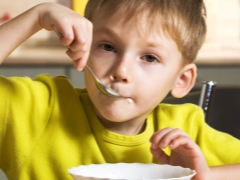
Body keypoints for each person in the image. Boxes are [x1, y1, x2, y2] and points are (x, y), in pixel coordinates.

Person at [0, 1, 240, 180]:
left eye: (149, 57)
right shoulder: (39, 108)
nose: (121, 71)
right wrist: (36, 17)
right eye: (107, 46)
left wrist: (207, 176)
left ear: (181, 80)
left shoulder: (187, 129)